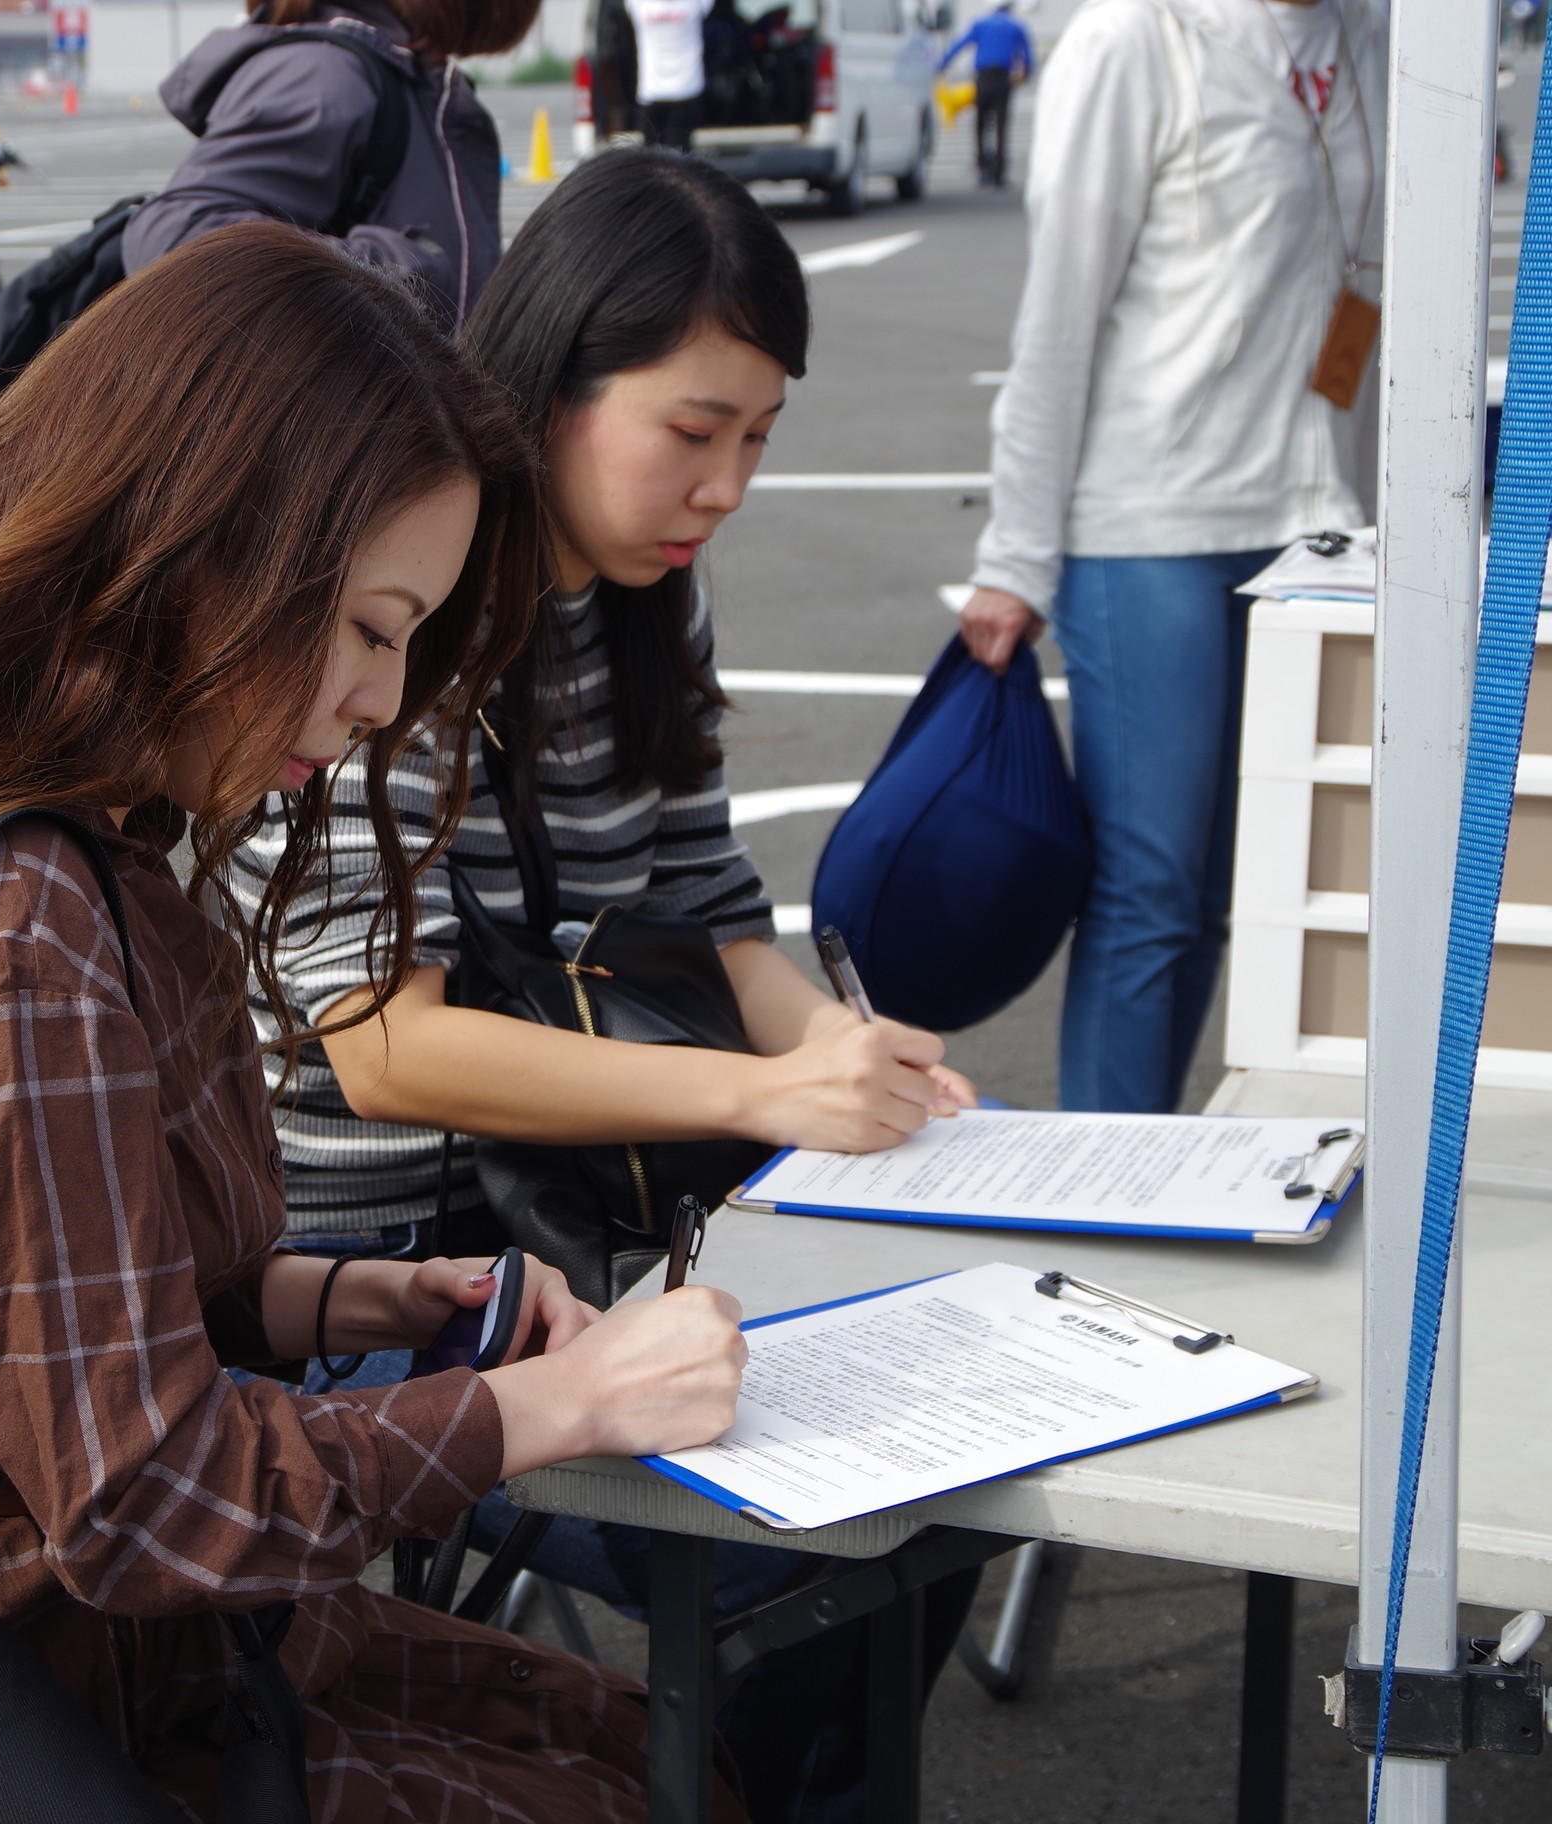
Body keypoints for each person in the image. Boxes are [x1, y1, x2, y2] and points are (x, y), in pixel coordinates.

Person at [0, 223, 752, 1823]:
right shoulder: (26, 930)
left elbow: (33, 1315)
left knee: (640, 1747)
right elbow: (138, 1498)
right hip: (8, 1701)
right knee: (653, 1777)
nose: (380, 704)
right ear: (200, 552)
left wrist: (354, 1301)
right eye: (372, 628)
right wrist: (564, 1407)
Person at [228, 148, 979, 1821]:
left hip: (566, 1226)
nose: (721, 484)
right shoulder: (391, 611)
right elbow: (380, 1048)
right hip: (356, 1266)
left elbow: (707, 906)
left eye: (758, 439)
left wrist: (850, 1056)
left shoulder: (643, 605)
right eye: (689, 431)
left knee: (940, 1487)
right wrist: (758, 1091)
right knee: (829, 1546)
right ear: (549, 384)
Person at [958, 0, 1383, 1115]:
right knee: (1149, 890)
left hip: (1310, 521)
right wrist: (1016, 553)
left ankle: (1149, 1154)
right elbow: (1058, 317)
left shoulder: (1368, 36)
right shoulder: (1135, 38)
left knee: (1226, 894)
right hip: (1148, 518)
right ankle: (1109, 1194)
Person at [124, 0, 535, 327]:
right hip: (348, 425)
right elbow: (172, 235)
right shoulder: (328, 74)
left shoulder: (405, 75)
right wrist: (398, 274)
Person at [938, 1, 1033, 186]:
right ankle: (999, 172)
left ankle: (983, 168)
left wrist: (942, 65)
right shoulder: (1016, 26)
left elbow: (960, 45)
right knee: (1001, 125)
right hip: (1004, 79)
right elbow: (1026, 55)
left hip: (983, 78)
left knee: (981, 123)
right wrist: (1027, 72)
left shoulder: (980, 24)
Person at [630, 0, 714, 148]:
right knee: (660, 159)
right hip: (661, 92)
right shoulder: (694, 4)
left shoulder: (641, 4)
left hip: (681, 92)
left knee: (662, 160)